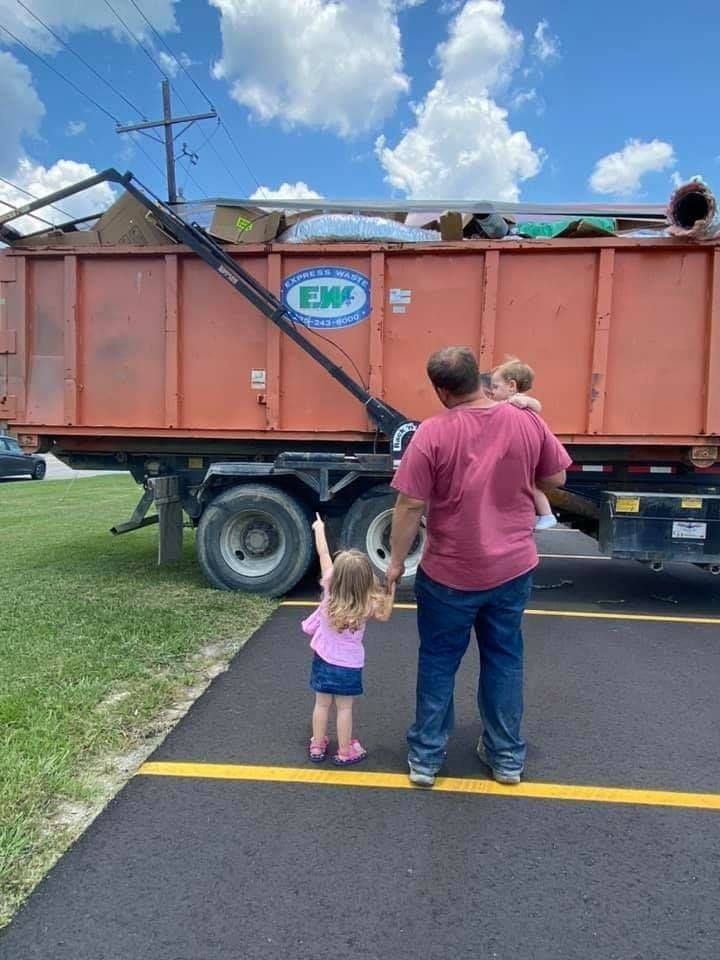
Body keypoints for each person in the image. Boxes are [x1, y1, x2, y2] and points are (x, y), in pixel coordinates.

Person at [386, 346, 571, 788]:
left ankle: (426, 759)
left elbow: (410, 503)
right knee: (504, 659)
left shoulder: (432, 433)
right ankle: (506, 757)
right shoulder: (525, 422)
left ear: (442, 389)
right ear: (481, 379)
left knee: (438, 661)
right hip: (512, 569)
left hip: (449, 572)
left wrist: (395, 564)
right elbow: (557, 478)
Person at [302, 514, 394, 766]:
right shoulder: (368, 602)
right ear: (366, 580)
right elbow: (385, 615)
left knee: (321, 704)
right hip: (349, 665)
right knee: (344, 708)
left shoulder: (330, 589)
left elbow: (323, 553)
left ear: (337, 576)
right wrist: (391, 587)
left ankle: (317, 745)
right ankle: (345, 751)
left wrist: (319, 527)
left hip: (322, 658)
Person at [491, 357, 557, 530]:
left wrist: (526, 401)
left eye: (496, 387)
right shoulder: (514, 404)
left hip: (518, 456)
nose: (492, 391)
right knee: (531, 486)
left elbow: (536, 405)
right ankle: (546, 514)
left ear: (512, 386)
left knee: (530, 486)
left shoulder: (516, 402)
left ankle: (547, 514)